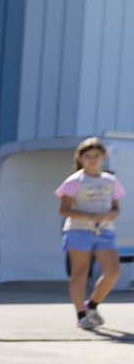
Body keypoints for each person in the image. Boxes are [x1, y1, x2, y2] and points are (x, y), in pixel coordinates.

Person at [57, 137, 122, 330]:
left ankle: (92, 305)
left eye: (96, 156)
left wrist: (109, 215)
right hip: (78, 231)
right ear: (81, 158)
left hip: (104, 232)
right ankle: (81, 315)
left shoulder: (111, 180)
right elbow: (64, 209)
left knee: (113, 272)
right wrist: (88, 215)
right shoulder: (75, 181)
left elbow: (116, 208)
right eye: (88, 156)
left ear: (103, 157)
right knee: (80, 274)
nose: (92, 159)